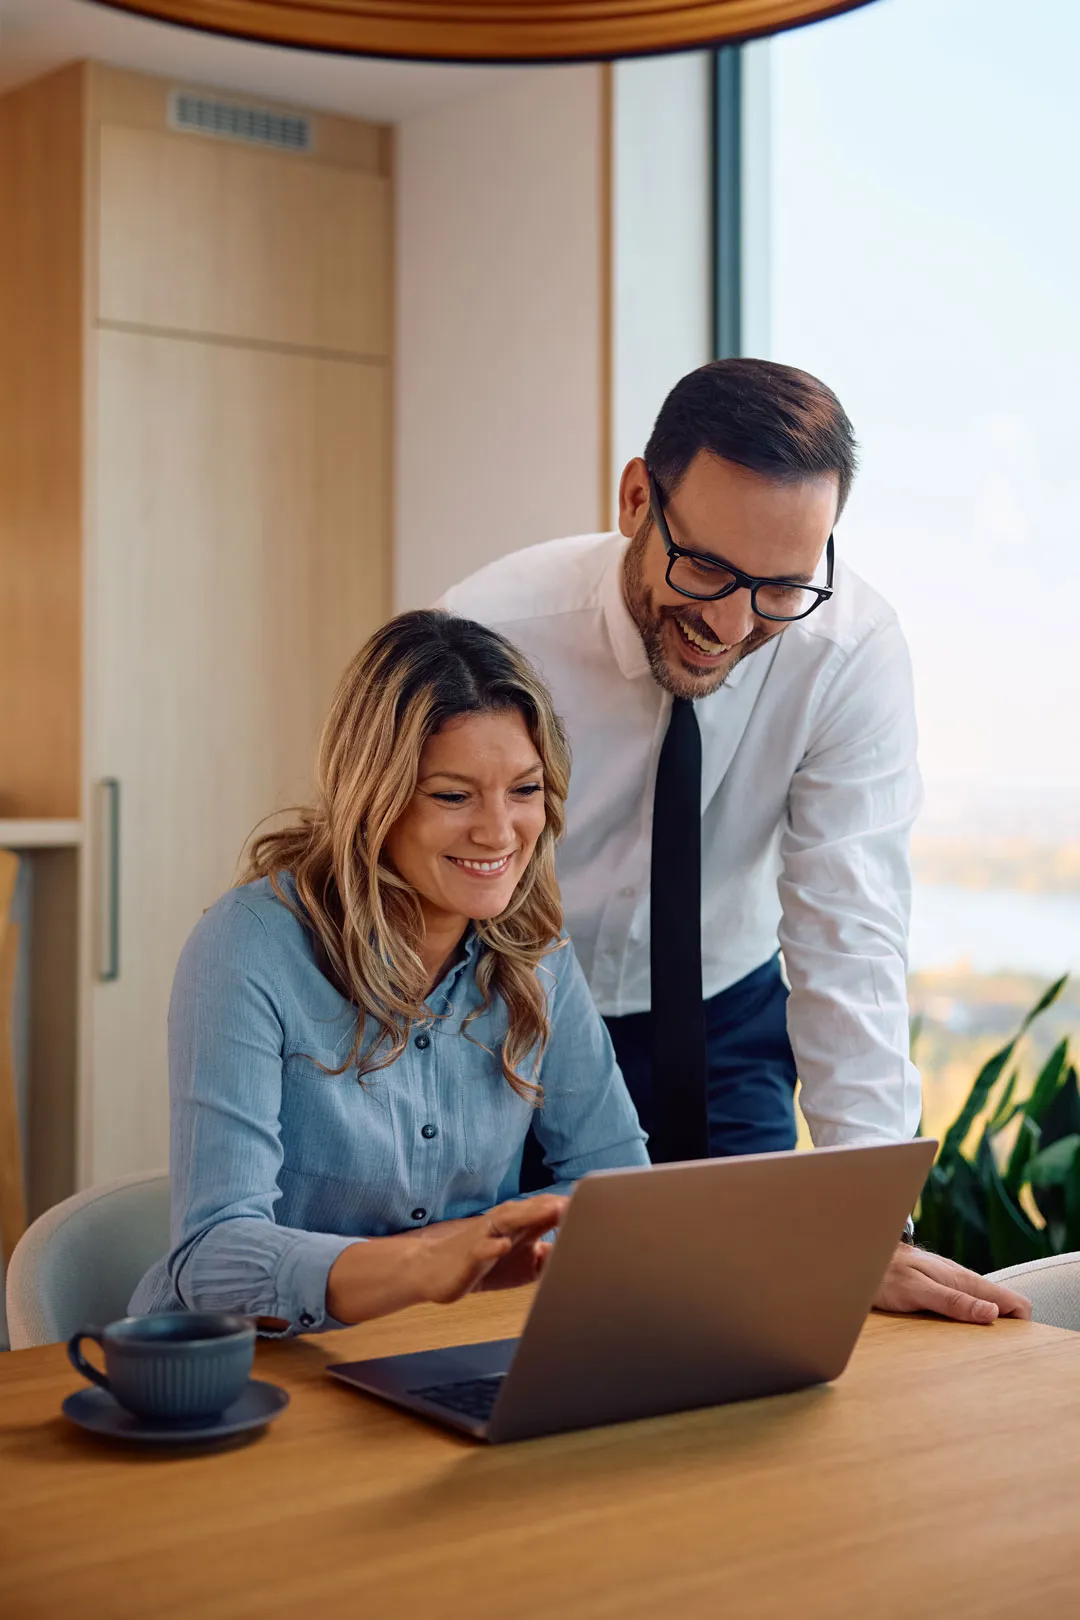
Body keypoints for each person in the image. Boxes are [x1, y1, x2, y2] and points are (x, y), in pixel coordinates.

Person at [440, 357, 1031, 1327]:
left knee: (756, 1336)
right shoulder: (488, 633)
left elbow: (851, 937)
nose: (730, 621)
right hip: (500, 1027)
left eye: (781, 587)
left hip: (724, 1021)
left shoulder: (847, 655)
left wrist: (867, 1217)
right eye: (706, 568)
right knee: (499, 1336)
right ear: (637, 498)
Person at [130, 612, 647, 1334]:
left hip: (452, 1347)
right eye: (453, 795)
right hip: (267, 1366)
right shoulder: (247, 946)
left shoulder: (537, 951)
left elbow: (620, 1190)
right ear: (374, 796)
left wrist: (487, 1262)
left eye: (524, 790)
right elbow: (212, 1256)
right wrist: (423, 1267)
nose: (499, 832)